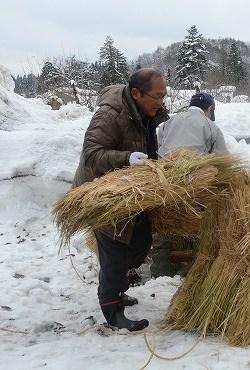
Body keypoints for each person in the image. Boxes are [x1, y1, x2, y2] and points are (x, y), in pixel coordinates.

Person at [73, 68, 169, 331]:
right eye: (157, 96)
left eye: (164, 96)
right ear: (136, 93)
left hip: (130, 190)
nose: (161, 102)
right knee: (115, 248)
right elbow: (92, 154)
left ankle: (115, 286)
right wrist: (126, 158)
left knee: (140, 242)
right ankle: (112, 309)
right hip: (100, 192)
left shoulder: (145, 109)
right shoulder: (109, 114)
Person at [157, 92, 228, 157]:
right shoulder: (211, 126)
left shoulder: (169, 121)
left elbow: (159, 145)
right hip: (195, 168)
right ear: (210, 108)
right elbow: (223, 157)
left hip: (164, 167)